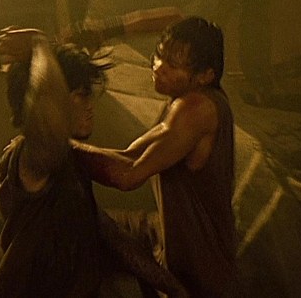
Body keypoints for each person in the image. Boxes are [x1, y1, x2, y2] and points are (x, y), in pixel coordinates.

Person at [0, 10, 187, 297]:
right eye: (79, 95)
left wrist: (175, 289)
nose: (90, 104)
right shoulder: (29, 157)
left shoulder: (71, 164)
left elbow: (111, 237)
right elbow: (49, 120)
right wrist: (40, 45)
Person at [72, 16, 243, 297]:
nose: (159, 67)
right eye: (159, 55)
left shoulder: (196, 108)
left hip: (202, 277)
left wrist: (57, 145)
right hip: (183, 257)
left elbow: (128, 175)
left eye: (173, 65)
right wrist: (106, 31)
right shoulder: (183, 101)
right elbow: (129, 156)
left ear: (205, 75)